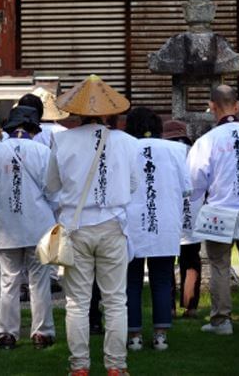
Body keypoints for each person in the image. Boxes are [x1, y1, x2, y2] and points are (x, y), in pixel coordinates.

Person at [45, 74, 138, 376]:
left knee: (76, 302)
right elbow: (134, 184)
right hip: (113, 225)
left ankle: (80, 366)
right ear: (108, 111)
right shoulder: (127, 142)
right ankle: (115, 365)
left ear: (76, 111)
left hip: (76, 227)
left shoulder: (61, 140)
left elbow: (51, 186)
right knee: (115, 301)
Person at [187, 84, 239, 335]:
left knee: (220, 265)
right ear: (238, 105)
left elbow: (194, 181)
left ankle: (222, 320)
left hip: (220, 212)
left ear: (212, 106)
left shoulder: (207, 141)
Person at [0, 105, 56, 350]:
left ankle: (7, 334)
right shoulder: (43, 151)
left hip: (7, 227)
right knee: (39, 281)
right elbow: (54, 193)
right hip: (39, 227)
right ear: (33, 128)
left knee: (8, 282)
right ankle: (41, 332)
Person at [124, 108, 191, 352]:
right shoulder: (176, 150)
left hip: (131, 224)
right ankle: (161, 336)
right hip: (164, 223)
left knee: (130, 282)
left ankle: (134, 337)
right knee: (162, 280)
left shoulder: (124, 148)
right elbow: (186, 189)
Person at [161, 120, 200, 318]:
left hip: (168, 212)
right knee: (191, 259)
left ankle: (168, 306)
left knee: (167, 260)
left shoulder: (162, 152)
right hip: (194, 211)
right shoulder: (195, 151)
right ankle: (190, 305)